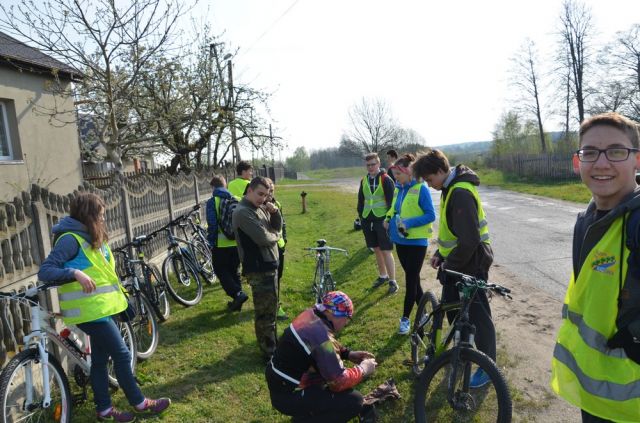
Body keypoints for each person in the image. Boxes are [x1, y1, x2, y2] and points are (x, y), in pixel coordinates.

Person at [38, 193, 170, 422]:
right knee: (121, 354)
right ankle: (140, 402)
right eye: (100, 215)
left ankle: (104, 410)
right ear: (89, 216)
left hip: (101, 309)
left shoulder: (91, 237)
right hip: (89, 312)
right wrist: (74, 273)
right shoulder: (70, 239)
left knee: (99, 361)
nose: (104, 220)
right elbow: (45, 271)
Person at [550, 112, 640, 423]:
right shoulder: (586, 221)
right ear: (578, 163)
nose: (601, 163)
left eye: (617, 151)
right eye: (590, 153)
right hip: (594, 396)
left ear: (637, 160)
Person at [412, 148, 495, 389]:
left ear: (440, 171)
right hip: (458, 262)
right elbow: (454, 233)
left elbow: (470, 240)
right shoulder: (449, 188)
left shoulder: (459, 192)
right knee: (453, 310)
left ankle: (487, 365)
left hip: (472, 262)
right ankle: (461, 353)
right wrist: (441, 253)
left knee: (478, 317)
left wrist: (449, 263)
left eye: (429, 180)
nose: (429, 185)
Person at [265, 291, 378, 422]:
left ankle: (305, 411)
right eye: (347, 318)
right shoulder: (322, 337)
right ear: (333, 314)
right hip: (288, 396)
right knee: (354, 401)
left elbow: (316, 348)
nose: (346, 323)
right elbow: (338, 382)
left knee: (326, 380)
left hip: (279, 383)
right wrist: (363, 369)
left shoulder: (310, 315)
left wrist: (347, 354)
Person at [384, 154, 436, 335]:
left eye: (398, 174)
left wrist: (409, 223)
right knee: (413, 279)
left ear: (408, 172)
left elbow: (431, 215)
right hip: (400, 240)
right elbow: (394, 208)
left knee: (410, 280)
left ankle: (405, 318)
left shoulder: (422, 189)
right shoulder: (399, 188)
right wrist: (388, 218)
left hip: (417, 242)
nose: (395, 177)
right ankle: (425, 315)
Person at [232, 176, 282, 358]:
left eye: (266, 195)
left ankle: (273, 345)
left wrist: (274, 212)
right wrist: (276, 235)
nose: (263, 198)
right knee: (265, 314)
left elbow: (276, 227)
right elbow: (263, 238)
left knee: (272, 310)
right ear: (249, 190)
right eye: (260, 194)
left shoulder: (260, 207)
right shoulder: (243, 212)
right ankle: (269, 353)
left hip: (269, 265)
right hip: (259, 269)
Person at [206, 174, 249, 312]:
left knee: (221, 270)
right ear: (225, 185)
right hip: (236, 243)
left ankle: (238, 294)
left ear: (213, 187)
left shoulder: (213, 201)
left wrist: (211, 241)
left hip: (221, 244)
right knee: (234, 271)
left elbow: (212, 224)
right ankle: (238, 302)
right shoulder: (236, 199)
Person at [357, 152, 397, 293]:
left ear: (379, 164)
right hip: (368, 220)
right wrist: (362, 218)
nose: (370, 167)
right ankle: (382, 276)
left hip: (383, 220)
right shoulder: (364, 180)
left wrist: (389, 220)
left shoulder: (386, 180)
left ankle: (392, 281)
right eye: (368, 165)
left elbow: (393, 203)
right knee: (376, 249)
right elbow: (361, 201)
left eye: (373, 164)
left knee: (386, 250)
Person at [265, 178, 289, 320]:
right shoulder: (259, 206)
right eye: (268, 191)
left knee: (278, 277)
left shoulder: (277, 204)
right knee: (270, 279)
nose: (270, 194)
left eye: (272, 191)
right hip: (269, 248)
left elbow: (283, 224)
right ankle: (274, 306)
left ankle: (275, 302)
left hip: (279, 247)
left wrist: (284, 240)